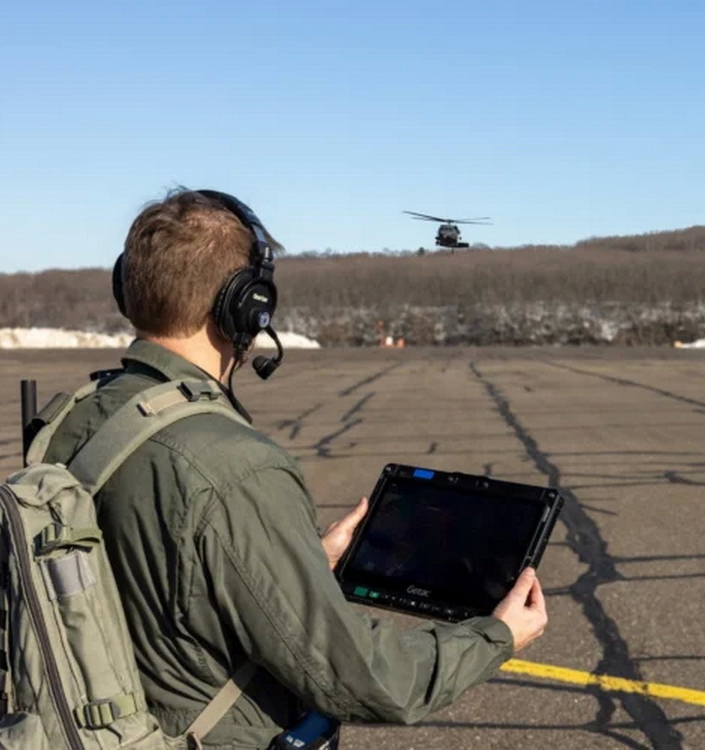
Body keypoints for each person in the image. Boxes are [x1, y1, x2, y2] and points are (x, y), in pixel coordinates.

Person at [43, 189, 547, 749]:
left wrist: (293, 556)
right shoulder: (232, 464)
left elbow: (159, 573)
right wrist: (496, 636)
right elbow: (357, 677)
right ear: (247, 305)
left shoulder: (77, 418)